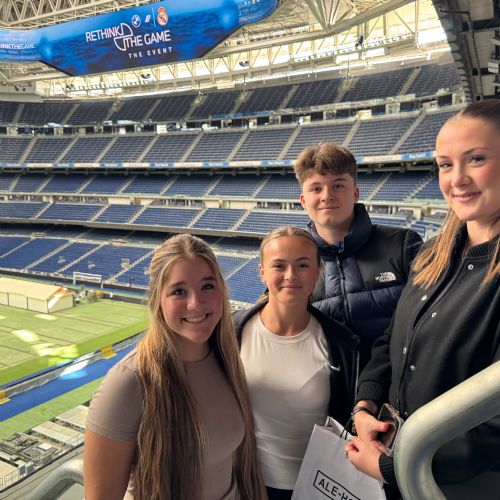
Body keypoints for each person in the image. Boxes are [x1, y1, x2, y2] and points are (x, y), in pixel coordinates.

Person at [346, 99, 500, 498]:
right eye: (445, 165)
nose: (457, 179)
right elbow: (392, 339)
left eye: (476, 159)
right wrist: (365, 405)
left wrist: (394, 466)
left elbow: (493, 428)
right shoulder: (432, 253)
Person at [84, 234, 265, 500]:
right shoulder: (129, 382)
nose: (195, 303)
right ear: (158, 299)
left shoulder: (227, 360)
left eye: (207, 286)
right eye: (179, 291)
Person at [233, 226, 359, 500]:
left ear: (317, 271)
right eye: (279, 265)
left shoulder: (342, 344)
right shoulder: (232, 334)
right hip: (247, 485)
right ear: (262, 272)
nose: (291, 275)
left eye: (302, 265)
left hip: (319, 486)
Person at [294, 142, 422, 367]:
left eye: (338, 185)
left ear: (355, 193)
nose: (327, 196)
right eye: (316, 188)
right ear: (303, 200)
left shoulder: (404, 246)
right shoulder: (293, 264)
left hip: (399, 384)